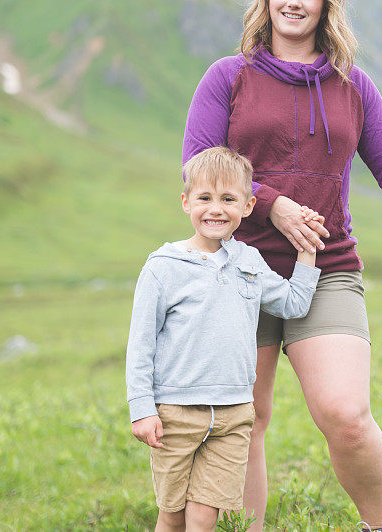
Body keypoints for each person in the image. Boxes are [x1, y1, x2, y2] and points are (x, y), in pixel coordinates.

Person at [181, 1, 382, 530]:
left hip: (325, 267)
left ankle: (377, 526)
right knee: (242, 422)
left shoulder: (354, 87)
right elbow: (197, 159)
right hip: (234, 269)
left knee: (346, 416)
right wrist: (271, 202)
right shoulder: (228, 77)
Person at [126, 146, 321, 532]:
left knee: (205, 515)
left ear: (248, 206)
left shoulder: (248, 260)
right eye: (205, 198)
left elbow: (293, 303)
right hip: (175, 413)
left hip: (233, 413)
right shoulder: (163, 267)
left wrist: (307, 248)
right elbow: (141, 343)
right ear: (186, 202)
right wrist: (142, 408)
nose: (215, 209)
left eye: (228, 199)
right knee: (173, 513)